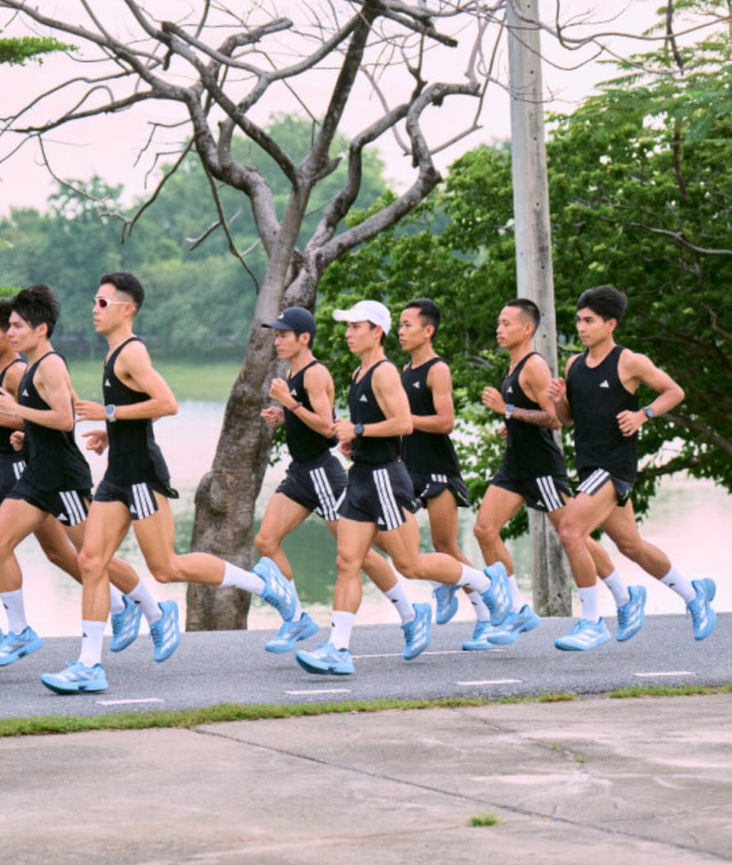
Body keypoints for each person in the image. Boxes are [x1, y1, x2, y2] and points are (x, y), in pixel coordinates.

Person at [40, 272, 297, 694]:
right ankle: (89, 665)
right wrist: (112, 432)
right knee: (91, 560)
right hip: (118, 474)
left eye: (102, 303)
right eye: (94, 302)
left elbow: (168, 403)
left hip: (141, 475)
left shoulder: (132, 352)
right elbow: (141, 409)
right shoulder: (113, 354)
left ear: (128, 309)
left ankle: (262, 583)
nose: (94, 310)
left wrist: (108, 414)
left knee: (166, 567)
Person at [295, 300, 511, 676]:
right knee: (347, 562)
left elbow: (404, 423)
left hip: (385, 479)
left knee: (411, 565)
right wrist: (355, 442)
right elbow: (380, 428)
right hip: (362, 476)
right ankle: (338, 649)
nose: (348, 334)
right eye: (347, 327)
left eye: (355, 327)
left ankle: (485, 584)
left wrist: (359, 430)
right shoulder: (359, 373)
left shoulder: (384, 372)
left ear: (376, 331)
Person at [0, 284, 159, 668]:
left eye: (17, 326)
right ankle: (20, 631)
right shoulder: (33, 366)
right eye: (9, 326)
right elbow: (57, 414)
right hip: (36, 476)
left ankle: (150, 609)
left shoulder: (50, 364)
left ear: (40, 329)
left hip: (63, 480)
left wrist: (17, 412)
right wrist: (26, 434)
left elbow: (65, 420)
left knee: (94, 556)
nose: (11, 333)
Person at [257, 306, 431, 659]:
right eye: (275, 335)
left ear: (303, 338)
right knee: (265, 541)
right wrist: (284, 416)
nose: (277, 341)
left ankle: (411, 614)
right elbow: (319, 421)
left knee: (360, 556)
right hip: (301, 472)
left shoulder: (315, 373)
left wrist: (289, 404)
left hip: (322, 474)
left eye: (283, 335)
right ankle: (296, 617)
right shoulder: (292, 373)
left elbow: (326, 428)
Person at [474, 297, 646, 651]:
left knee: (575, 535)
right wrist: (512, 422)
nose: (498, 329)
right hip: (514, 464)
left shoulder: (535, 365)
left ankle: (623, 596)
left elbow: (554, 419)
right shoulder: (513, 365)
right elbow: (529, 412)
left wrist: (508, 410)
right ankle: (518, 609)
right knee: (484, 529)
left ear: (527, 329)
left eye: (506, 323)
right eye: (498, 323)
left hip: (541, 469)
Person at [550, 285, 716, 650]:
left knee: (570, 531)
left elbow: (674, 391)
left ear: (610, 324)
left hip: (614, 465)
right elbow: (567, 419)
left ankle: (592, 621)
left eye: (589, 321)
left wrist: (644, 414)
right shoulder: (574, 365)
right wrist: (559, 400)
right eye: (579, 320)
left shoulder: (629, 361)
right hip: (589, 466)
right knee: (631, 545)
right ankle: (694, 595)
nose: (581, 327)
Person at [0, 299, 112, 662]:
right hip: (11, 463)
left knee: (76, 553)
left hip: (25, 466)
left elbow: (48, 418)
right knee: (41, 551)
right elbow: (23, 420)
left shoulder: (21, 369)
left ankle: (130, 603)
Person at [397, 298, 492, 630]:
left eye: (407, 325)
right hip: (408, 467)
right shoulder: (404, 371)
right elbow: (401, 426)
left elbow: (445, 422)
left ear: (428, 331)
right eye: (399, 325)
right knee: (394, 536)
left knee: (445, 544)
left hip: (438, 467)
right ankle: (441, 580)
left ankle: (486, 611)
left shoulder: (438, 369)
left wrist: (405, 420)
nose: (401, 331)